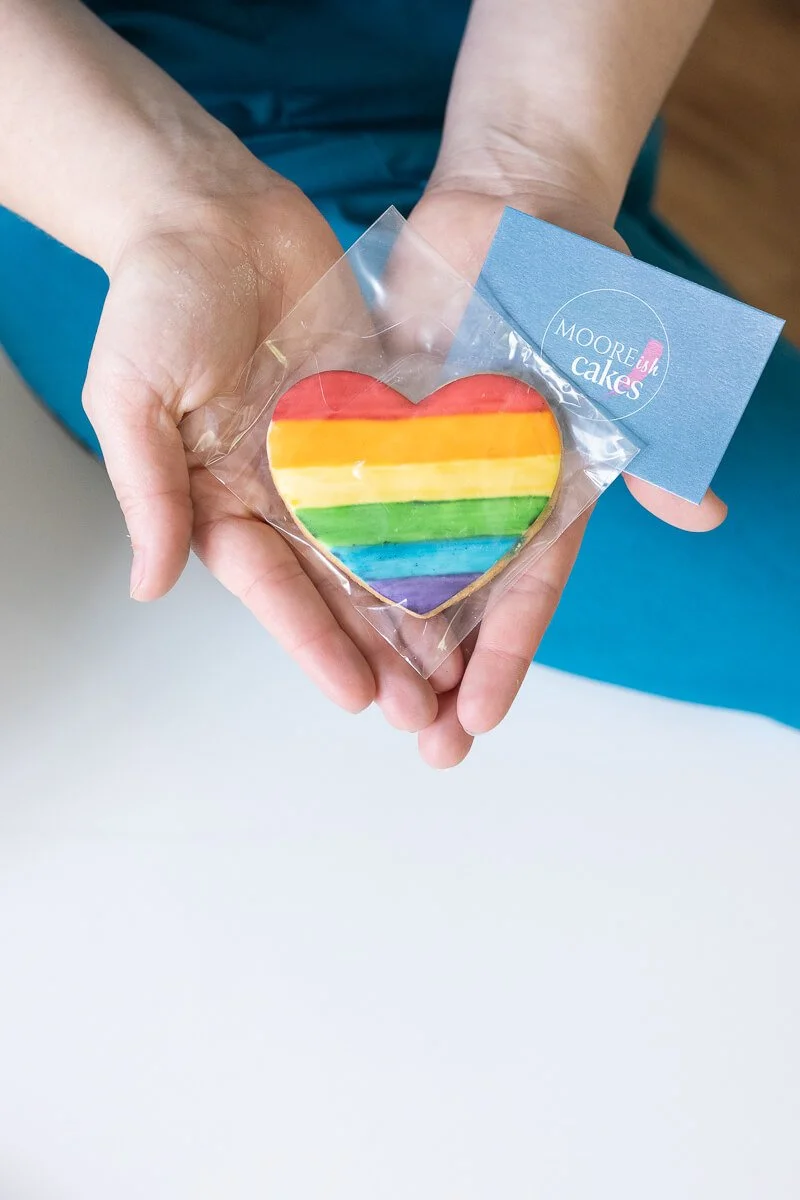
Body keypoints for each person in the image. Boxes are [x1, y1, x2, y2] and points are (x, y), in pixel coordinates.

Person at [1, 0, 797, 767]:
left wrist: (535, 164)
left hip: (556, 67)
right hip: (80, 139)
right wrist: (168, 209)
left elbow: (546, 157)